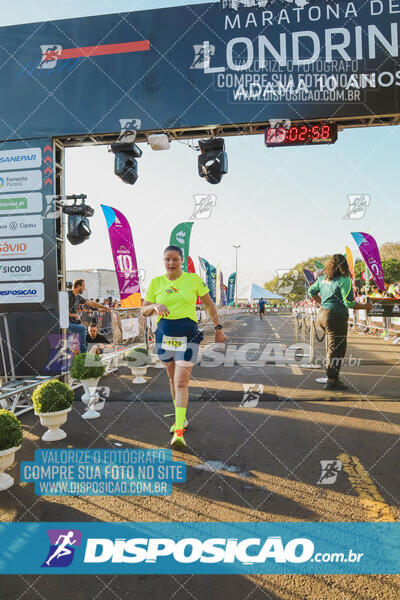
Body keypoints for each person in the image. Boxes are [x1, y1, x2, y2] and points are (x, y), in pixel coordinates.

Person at [142, 246, 226, 448]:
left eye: (175, 259)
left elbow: (209, 305)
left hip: (188, 334)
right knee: (172, 379)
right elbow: (143, 310)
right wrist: (153, 306)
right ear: (163, 261)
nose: (171, 263)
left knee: (181, 380)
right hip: (164, 335)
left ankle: (178, 431)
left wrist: (218, 328)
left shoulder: (193, 280)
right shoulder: (156, 282)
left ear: (181, 261)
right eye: (167, 259)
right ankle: (182, 417)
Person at [308, 254, 372, 391]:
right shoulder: (344, 279)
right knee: (336, 350)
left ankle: (333, 378)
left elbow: (310, 291)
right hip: (335, 317)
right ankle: (332, 381)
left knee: (332, 349)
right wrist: (365, 306)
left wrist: (322, 304)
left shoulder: (322, 278)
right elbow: (349, 303)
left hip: (323, 316)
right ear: (344, 265)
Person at [68, 279, 110, 353]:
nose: (84, 288)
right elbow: (59, 310)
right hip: (66, 324)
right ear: (78, 286)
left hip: (74, 323)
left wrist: (106, 308)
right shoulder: (67, 295)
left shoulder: (78, 297)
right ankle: (84, 354)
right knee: (82, 329)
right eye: (83, 286)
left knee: (81, 333)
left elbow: (92, 303)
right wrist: (72, 314)